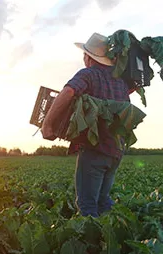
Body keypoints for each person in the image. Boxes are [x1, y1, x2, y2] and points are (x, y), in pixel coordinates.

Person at [41, 32, 137, 217]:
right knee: (102, 201)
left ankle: (93, 243)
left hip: (95, 150)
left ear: (88, 57)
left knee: (87, 206)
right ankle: (109, 240)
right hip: (116, 151)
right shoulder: (120, 82)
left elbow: (68, 92)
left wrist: (47, 125)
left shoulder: (89, 74)